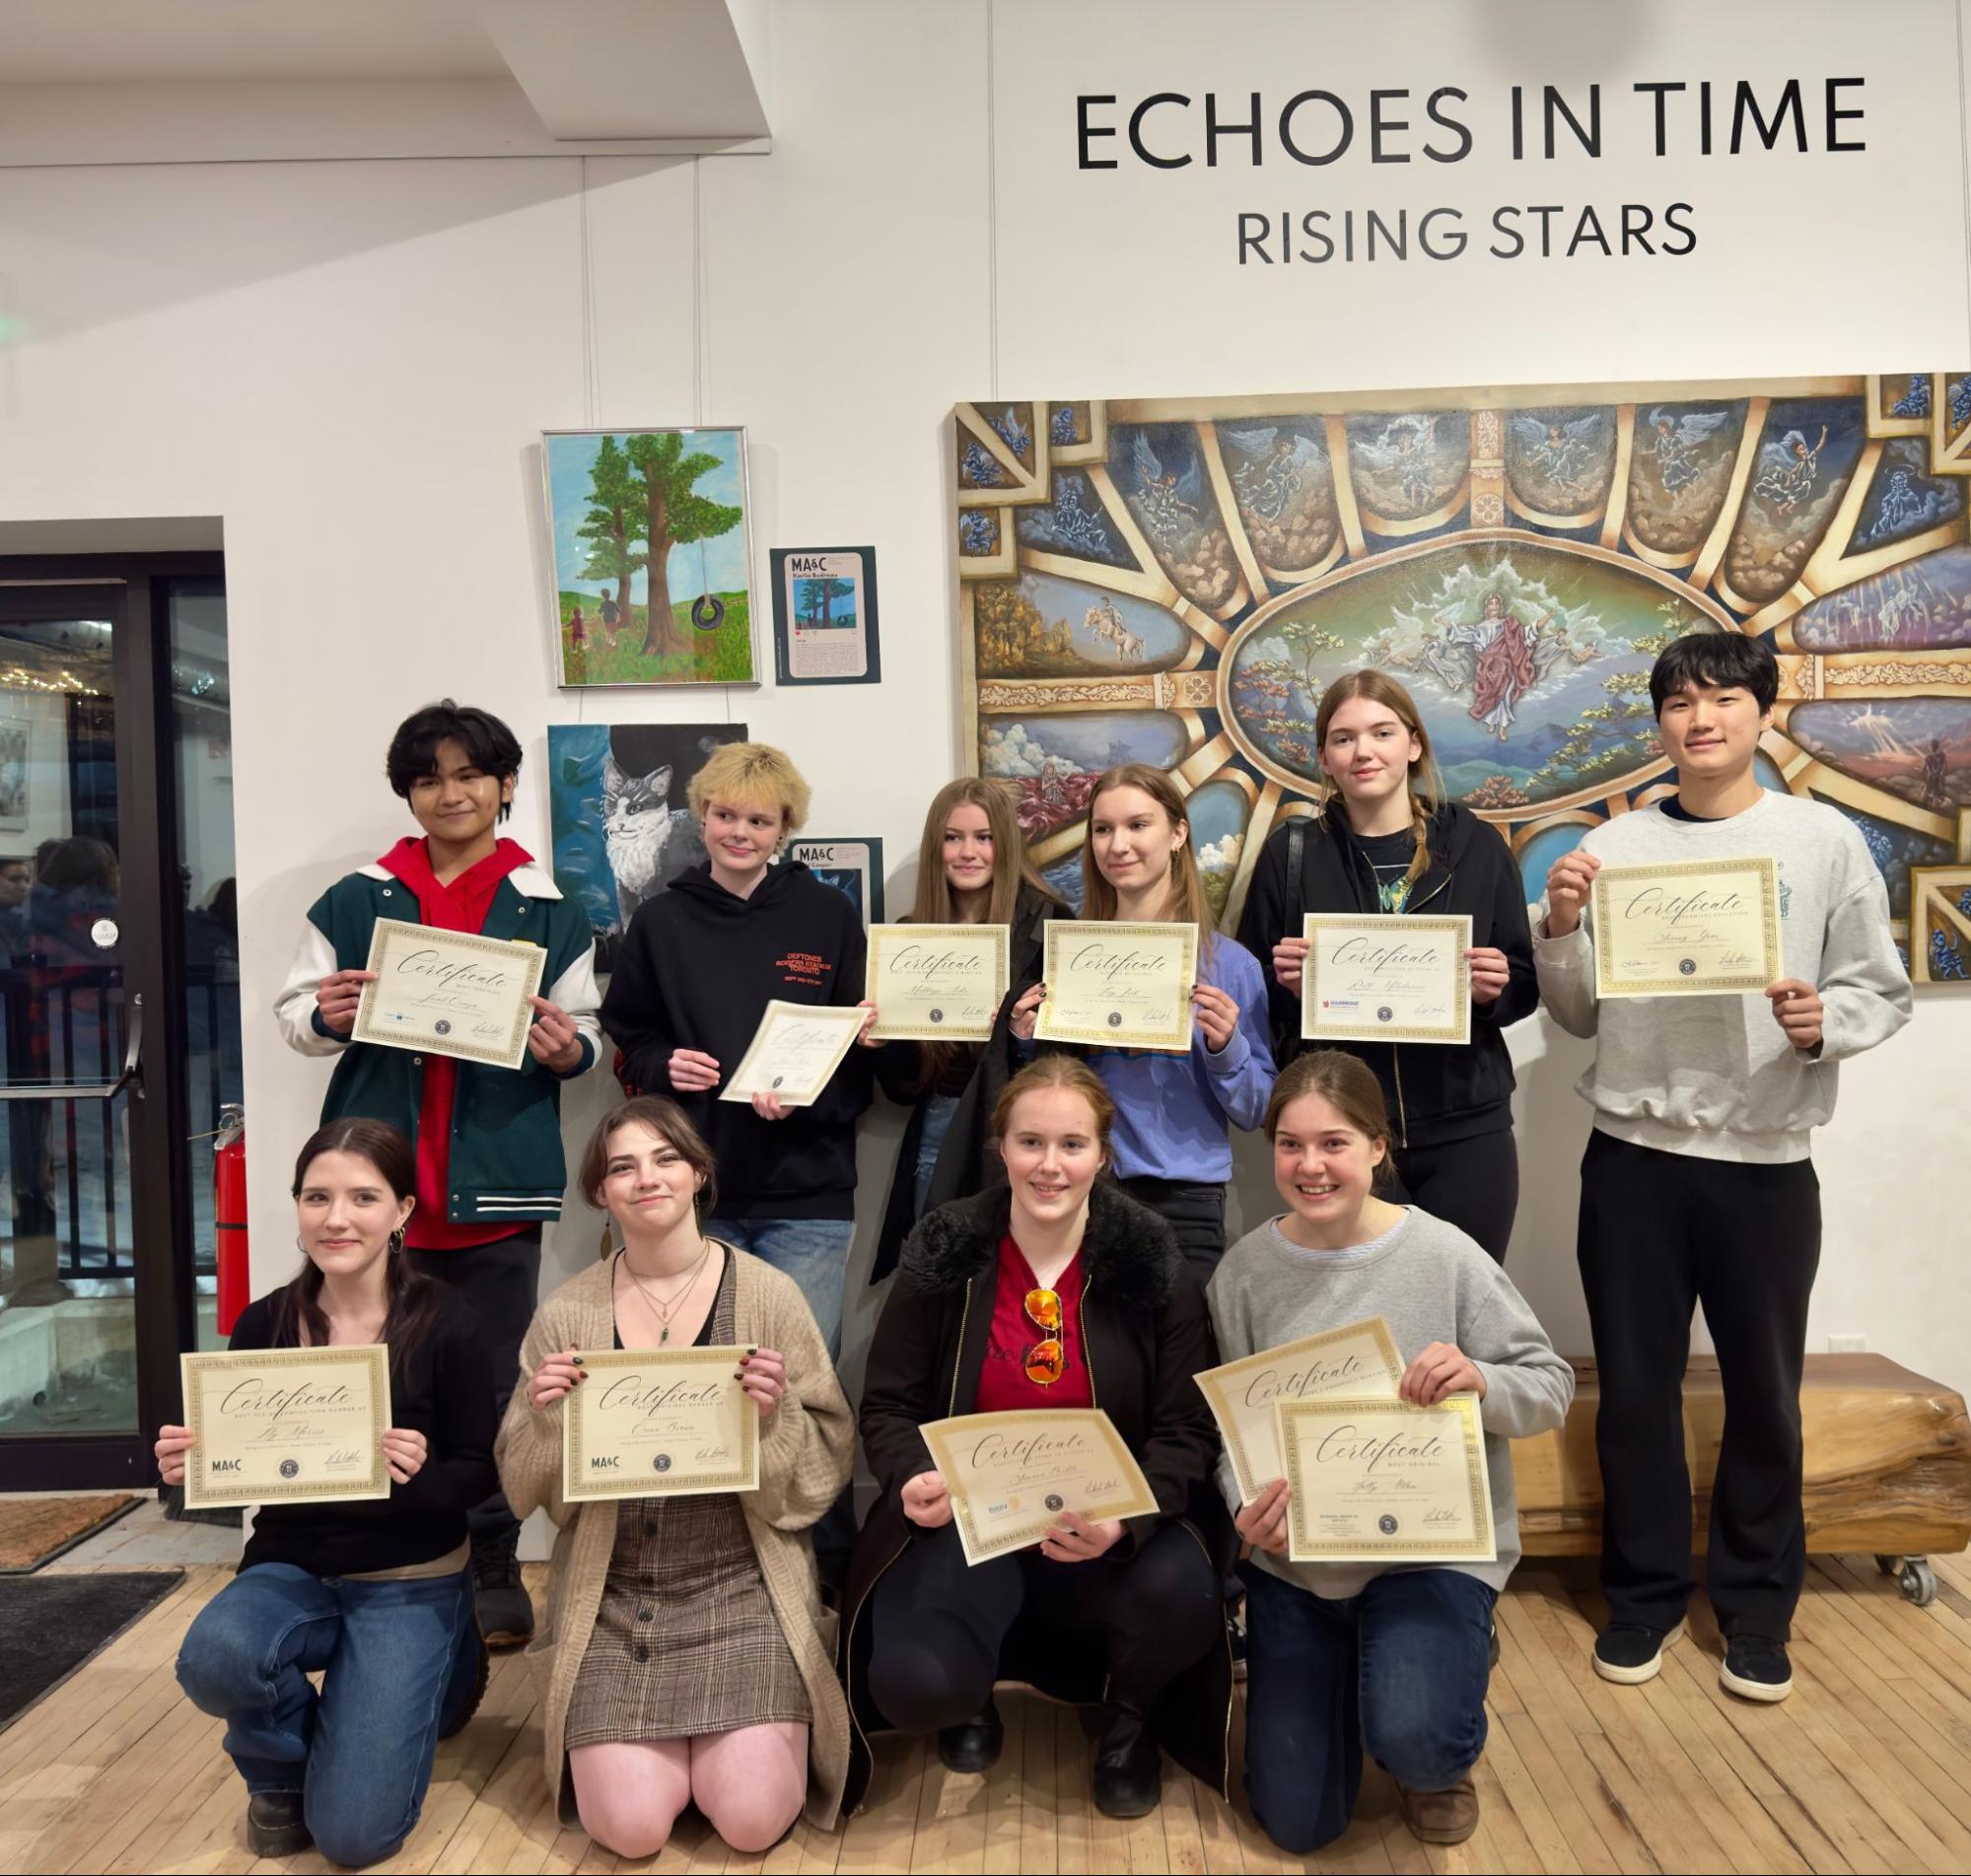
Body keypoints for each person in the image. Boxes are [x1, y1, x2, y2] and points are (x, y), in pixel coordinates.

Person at [1534, 631, 1910, 1702]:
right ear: (1658, 724)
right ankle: (1642, 1597)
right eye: (1678, 703)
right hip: (1633, 1158)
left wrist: (1819, 1022)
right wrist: (1560, 926)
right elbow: (1576, 1015)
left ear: (1761, 713)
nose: (1699, 719)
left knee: (1764, 1397)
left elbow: (1876, 990)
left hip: (1763, 1162)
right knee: (1634, 1396)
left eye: (1723, 698)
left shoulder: (1821, 839)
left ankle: (1755, 1608)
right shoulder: (1613, 847)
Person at [273, 700, 600, 1647]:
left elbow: (588, 1031)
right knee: (369, 1374)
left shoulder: (549, 905)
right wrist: (325, 1015)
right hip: (376, 1194)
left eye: (469, 775)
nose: (450, 793)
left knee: (492, 1384)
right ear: (408, 793)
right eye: (428, 779)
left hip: (495, 1183)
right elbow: (295, 1015)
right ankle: (363, 1547)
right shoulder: (355, 899)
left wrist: (568, 1048)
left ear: (505, 784)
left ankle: (490, 1556)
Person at [842, 1057, 1233, 1820]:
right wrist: (910, 1474)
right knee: (915, 1685)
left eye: (1071, 1144)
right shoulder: (946, 1249)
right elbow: (888, 1404)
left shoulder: (1153, 1263)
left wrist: (1127, 1518)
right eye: (1030, 1142)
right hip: (972, 1523)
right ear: (1001, 1147)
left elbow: (1187, 1427)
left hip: (1104, 1524)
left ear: (1103, 1155)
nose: (1049, 1165)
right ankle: (970, 1695)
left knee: (1181, 1591)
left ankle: (1128, 1720)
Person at [1212, 1051, 1572, 1851]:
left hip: (1429, 1556)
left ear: (1378, 1146)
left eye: (1333, 1143)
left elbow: (1549, 1385)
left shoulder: (1444, 1254)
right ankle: (1357, 1671)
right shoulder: (1242, 1274)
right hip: (1299, 1567)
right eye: (1290, 1144)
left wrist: (1480, 1378)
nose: (1310, 1165)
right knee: (1296, 1820)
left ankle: (1435, 1734)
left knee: (1415, 1734)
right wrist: (1244, 1502)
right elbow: (1229, 1430)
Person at [496, 1098, 853, 1856]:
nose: (646, 1178)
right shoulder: (567, 1312)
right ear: (600, 1191)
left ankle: (716, 1758)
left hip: (744, 1585)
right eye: (622, 1166)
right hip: (616, 1593)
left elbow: (826, 1465)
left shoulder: (769, 1295)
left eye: (665, 1159)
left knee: (753, 1819)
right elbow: (522, 1489)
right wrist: (544, 1419)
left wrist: (775, 1418)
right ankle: (673, 1760)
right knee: (630, 1829)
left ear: (698, 1172)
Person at [159, 1120, 493, 1865]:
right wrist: (189, 1467)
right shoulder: (264, 1322)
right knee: (217, 1655)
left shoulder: (449, 1320)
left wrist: (424, 1475)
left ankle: (448, 1656)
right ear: (298, 1207)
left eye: (363, 1197)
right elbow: (239, 1467)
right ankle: (280, 1776)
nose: (337, 1218)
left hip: (408, 1576)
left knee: (353, 1838)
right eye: (317, 1197)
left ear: (403, 1211)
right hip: (293, 1566)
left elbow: (482, 1468)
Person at [1237, 670, 1538, 1262]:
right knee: (1358, 1309)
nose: (1363, 751)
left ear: (1414, 744)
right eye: (1343, 738)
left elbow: (1524, 986)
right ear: (1324, 758)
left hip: (1464, 1129)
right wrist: (1286, 983)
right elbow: (1254, 995)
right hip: (1340, 1134)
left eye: (1382, 732)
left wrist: (1492, 991)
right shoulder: (1291, 854)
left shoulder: (1477, 847)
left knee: (1462, 1303)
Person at [600, 741, 872, 1359]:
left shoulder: (828, 914)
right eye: (725, 815)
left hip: (809, 1196)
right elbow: (631, 1039)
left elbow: (858, 1050)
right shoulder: (660, 920)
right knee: (703, 1379)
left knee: (802, 1377)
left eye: (759, 820)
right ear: (702, 815)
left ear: (784, 829)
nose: (739, 833)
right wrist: (664, 1064)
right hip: (694, 1193)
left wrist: (808, 1097)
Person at [1011, 763, 1273, 1281]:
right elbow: (1043, 1094)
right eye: (1102, 829)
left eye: (1137, 825)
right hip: (1076, 1196)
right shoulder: (1069, 958)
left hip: (1184, 1205)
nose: (1118, 845)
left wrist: (1226, 1048)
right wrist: (1025, 1042)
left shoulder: (1231, 967)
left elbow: (1257, 1110)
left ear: (1177, 833)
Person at [866, 777, 1059, 1285]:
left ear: (1006, 844)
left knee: (1024, 1286)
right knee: (940, 1286)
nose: (967, 852)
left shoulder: (1050, 926)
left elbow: (1071, 1062)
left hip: (1027, 1132)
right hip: (940, 1126)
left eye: (984, 837)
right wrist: (880, 1044)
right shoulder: (909, 937)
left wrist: (1018, 1039)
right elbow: (902, 1090)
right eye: (953, 838)